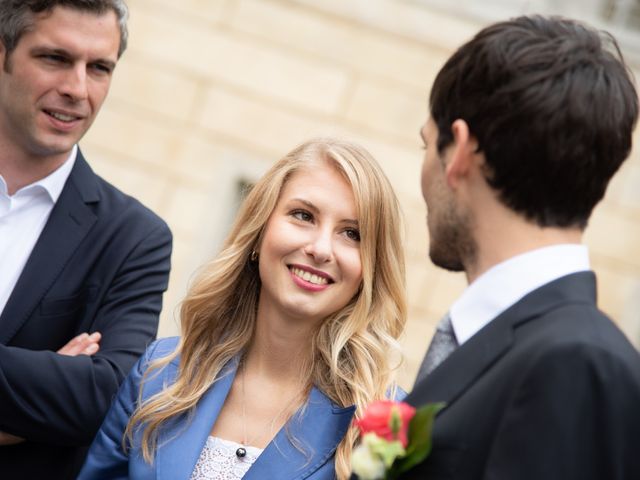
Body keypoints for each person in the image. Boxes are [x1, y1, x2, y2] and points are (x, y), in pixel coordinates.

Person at [78, 138, 407, 480]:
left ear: (370, 268)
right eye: (303, 215)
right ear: (259, 230)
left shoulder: (384, 426)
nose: (321, 248)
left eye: (352, 233)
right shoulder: (158, 374)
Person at [403, 15, 640, 480]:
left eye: (427, 145)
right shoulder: (536, 345)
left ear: (461, 153)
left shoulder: (575, 365)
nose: (424, 173)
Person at [0, 1, 172, 478]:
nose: (77, 89)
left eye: (99, 68)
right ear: (3, 53)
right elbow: (67, 397)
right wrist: (40, 388)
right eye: (55, 58)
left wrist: (73, 397)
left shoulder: (135, 239)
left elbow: (103, 398)